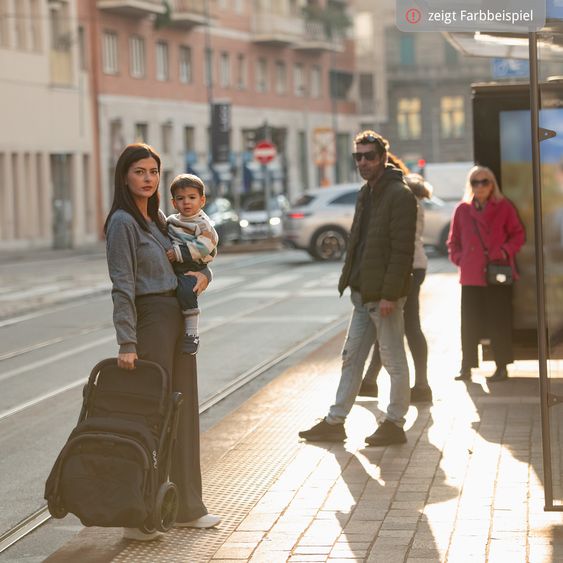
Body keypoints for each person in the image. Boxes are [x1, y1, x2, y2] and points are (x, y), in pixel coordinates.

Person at [104, 143, 221, 541]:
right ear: (124, 177)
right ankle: (137, 514)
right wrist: (126, 341)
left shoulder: (159, 220)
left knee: (184, 413)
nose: (148, 178)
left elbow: (195, 264)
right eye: (139, 171)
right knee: (151, 418)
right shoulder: (122, 222)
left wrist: (204, 280)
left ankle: (187, 507)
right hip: (150, 322)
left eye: (153, 171)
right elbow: (122, 284)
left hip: (176, 318)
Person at [298, 130, 417, 447]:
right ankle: (335, 422)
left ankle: (394, 422)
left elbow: (401, 250)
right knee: (351, 357)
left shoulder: (399, 195)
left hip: (384, 296)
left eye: (369, 156)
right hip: (364, 293)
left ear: (383, 157)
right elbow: (361, 242)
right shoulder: (368, 191)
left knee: (393, 361)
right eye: (358, 157)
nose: (363, 162)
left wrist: (391, 294)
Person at [359, 172, 433, 403]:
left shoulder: (406, 203)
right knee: (400, 324)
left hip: (404, 268)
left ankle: (417, 384)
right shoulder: (414, 203)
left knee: (401, 325)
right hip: (412, 266)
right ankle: (374, 381)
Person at [447, 165, 525, 382]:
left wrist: (503, 251)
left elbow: (518, 235)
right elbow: (453, 242)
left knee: (498, 321)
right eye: (475, 182)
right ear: (470, 186)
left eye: (484, 182)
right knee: (469, 322)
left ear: (492, 184)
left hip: (496, 273)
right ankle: (467, 366)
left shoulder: (504, 207)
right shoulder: (462, 209)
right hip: (471, 274)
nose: (480, 186)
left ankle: (502, 366)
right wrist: (460, 259)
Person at [166, 173, 218, 355]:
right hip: (176, 266)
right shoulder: (173, 220)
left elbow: (204, 246)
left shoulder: (203, 224)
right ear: (174, 203)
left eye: (192, 198)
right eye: (180, 199)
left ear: (202, 200)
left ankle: (192, 333)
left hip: (192, 266)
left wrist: (178, 253)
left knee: (187, 292)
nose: (186, 202)